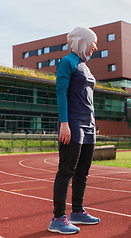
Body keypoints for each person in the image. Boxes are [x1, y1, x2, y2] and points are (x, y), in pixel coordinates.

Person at [48, 27, 100, 235]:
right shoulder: (67, 62)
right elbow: (61, 92)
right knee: (67, 170)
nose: (96, 47)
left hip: (88, 126)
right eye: (93, 43)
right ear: (83, 41)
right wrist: (64, 123)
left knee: (83, 172)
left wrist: (93, 122)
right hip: (73, 124)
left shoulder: (85, 66)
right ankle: (58, 218)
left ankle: (77, 211)